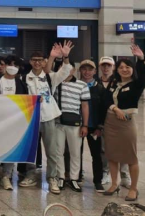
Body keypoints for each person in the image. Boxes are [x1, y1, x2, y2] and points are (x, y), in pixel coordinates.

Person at [101, 42, 145, 201]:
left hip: (126, 123)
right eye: (121, 67)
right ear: (117, 70)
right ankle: (114, 184)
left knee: (131, 157)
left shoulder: (137, 84)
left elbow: (144, 71)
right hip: (111, 122)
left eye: (127, 67)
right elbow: (106, 99)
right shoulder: (114, 83)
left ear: (132, 69)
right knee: (112, 155)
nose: (124, 69)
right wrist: (115, 109)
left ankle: (133, 188)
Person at [19, 41, 74, 194]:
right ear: (30, 62)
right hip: (30, 119)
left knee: (52, 150)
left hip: (48, 117)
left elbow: (65, 71)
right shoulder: (24, 79)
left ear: (44, 62)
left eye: (40, 60)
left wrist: (65, 56)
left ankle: (52, 178)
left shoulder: (50, 77)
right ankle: (30, 175)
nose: (37, 63)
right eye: (34, 60)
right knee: (30, 149)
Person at [0, 55, 28, 191]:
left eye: (16, 65)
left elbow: (27, 101)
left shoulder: (21, 84)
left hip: (14, 122)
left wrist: (37, 101)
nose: (12, 67)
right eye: (10, 64)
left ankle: (6, 177)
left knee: (11, 148)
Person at [54, 61, 91, 192]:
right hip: (58, 123)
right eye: (62, 67)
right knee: (58, 151)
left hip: (75, 124)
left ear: (74, 70)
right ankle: (60, 177)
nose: (66, 70)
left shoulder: (82, 85)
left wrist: (85, 125)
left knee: (75, 152)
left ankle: (74, 178)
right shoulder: (55, 83)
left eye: (69, 68)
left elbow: (85, 106)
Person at [97, 56, 129, 188]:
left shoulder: (119, 83)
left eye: (109, 65)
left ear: (113, 67)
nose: (106, 68)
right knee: (104, 149)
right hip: (103, 121)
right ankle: (105, 172)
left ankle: (124, 175)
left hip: (119, 120)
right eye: (103, 65)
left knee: (123, 148)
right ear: (100, 67)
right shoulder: (95, 82)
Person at [77, 59, 107, 192]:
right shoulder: (75, 86)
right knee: (76, 153)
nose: (87, 72)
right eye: (84, 69)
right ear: (80, 70)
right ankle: (77, 177)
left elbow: (103, 109)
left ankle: (98, 181)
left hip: (94, 126)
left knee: (96, 154)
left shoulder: (99, 88)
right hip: (77, 125)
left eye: (90, 69)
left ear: (95, 71)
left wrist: (100, 126)